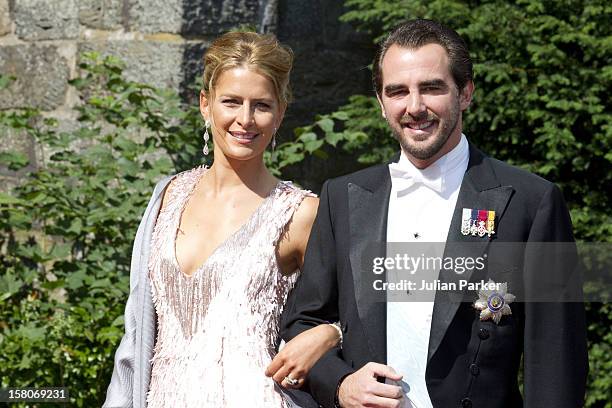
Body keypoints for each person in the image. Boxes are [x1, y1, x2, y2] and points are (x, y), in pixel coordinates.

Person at [281, 19, 587, 408]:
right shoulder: (342, 197)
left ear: (465, 93)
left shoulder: (531, 201)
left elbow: (556, 359)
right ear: (381, 102)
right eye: (397, 92)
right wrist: (340, 385)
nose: (414, 107)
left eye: (431, 87)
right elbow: (303, 323)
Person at [103, 31, 341, 408]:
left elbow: (359, 311)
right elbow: (136, 333)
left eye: (261, 105)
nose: (244, 119)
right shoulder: (167, 196)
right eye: (231, 102)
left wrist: (330, 334)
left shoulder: (300, 213)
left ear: (280, 113)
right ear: (205, 104)